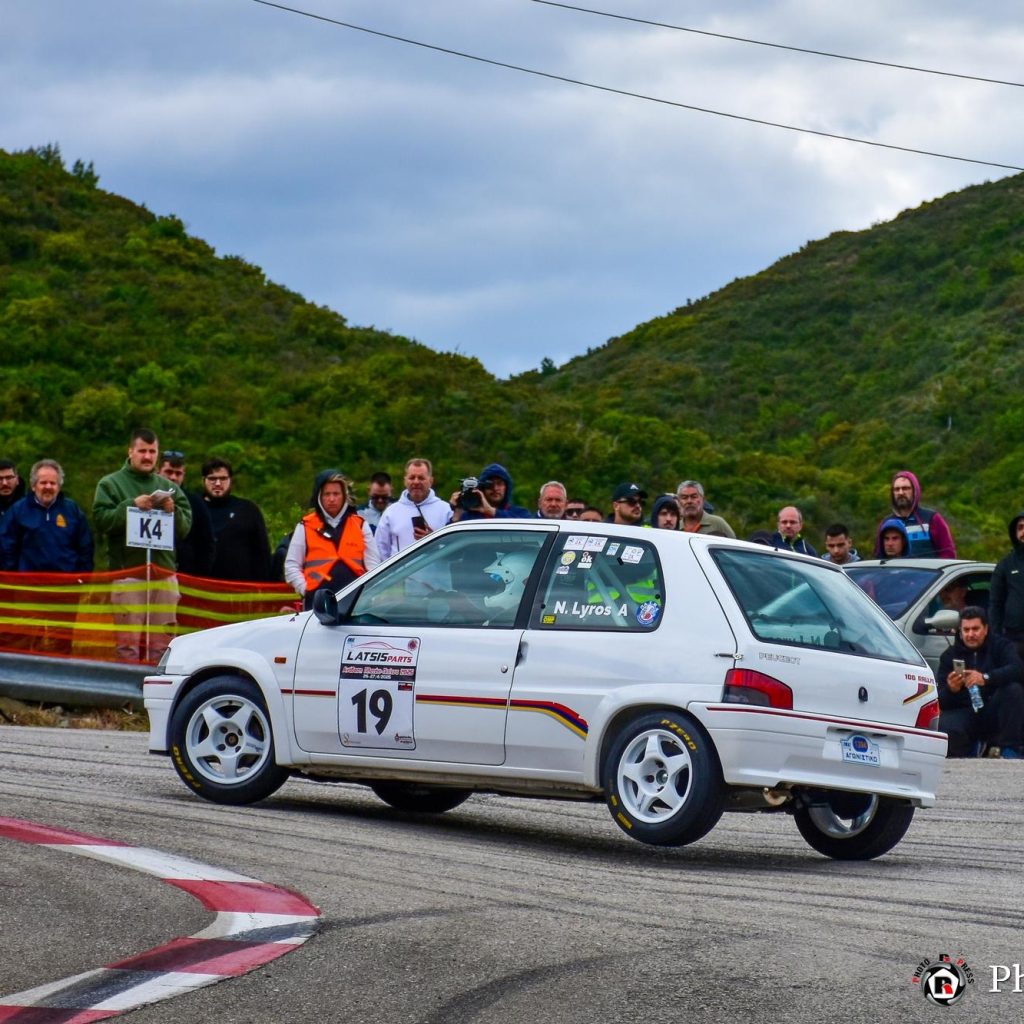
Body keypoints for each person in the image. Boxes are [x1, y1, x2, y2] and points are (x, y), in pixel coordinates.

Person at [93, 428, 192, 662]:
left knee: (163, 646)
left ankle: (160, 695)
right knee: (127, 644)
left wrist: (173, 512)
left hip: (164, 576)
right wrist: (130, 506)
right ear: (131, 452)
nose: (147, 457)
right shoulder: (110, 484)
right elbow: (101, 520)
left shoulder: (171, 488)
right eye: (142, 451)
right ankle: (127, 697)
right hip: (129, 576)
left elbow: (185, 528)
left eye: (152, 451)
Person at [284, 469, 380, 609]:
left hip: (354, 602)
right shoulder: (305, 526)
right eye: (327, 494)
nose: (331, 499)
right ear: (319, 497)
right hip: (316, 603)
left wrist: (367, 593)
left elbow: (373, 566)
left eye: (336, 494)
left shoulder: (360, 525)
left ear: (344, 496)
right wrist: (306, 590)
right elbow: (291, 566)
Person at [937, 606, 1024, 759]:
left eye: (975, 629)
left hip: (993, 710)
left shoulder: (1000, 646)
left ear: (985, 629)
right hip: (966, 711)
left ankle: (1011, 750)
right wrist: (952, 689)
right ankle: (966, 758)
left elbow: (1017, 669)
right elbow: (941, 701)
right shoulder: (949, 656)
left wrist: (986, 678)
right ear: (960, 631)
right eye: (966, 630)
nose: (971, 634)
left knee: (1013, 690)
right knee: (945, 723)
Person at [0, 459, 94, 573]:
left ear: (59, 486)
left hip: (67, 584)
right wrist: (13, 579)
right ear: (33, 485)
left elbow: (85, 547)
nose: (48, 487)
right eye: (43, 482)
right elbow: (7, 549)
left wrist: (83, 577)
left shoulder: (72, 510)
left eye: (53, 483)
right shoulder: (17, 511)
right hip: (29, 586)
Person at [201, 457, 272, 581]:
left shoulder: (248, 510)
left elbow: (262, 554)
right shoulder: (193, 508)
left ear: (230, 480)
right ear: (203, 480)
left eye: (223, 478)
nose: (217, 483)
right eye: (212, 478)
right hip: (200, 588)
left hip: (240, 591)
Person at [375, 458, 452, 560]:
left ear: (431, 481)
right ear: (405, 480)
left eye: (421, 478)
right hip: (401, 575)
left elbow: (455, 549)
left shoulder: (446, 510)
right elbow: (380, 550)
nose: (416, 482)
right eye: (412, 477)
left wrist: (433, 541)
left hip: (437, 575)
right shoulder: (391, 512)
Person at [874, 471, 956, 559]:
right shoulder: (886, 523)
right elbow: (879, 557)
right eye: (896, 489)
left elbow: (948, 554)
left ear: (915, 491)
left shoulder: (932, 519)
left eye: (905, 488)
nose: (901, 493)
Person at [158, 451, 215, 577]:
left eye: (178, 473)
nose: (173, 477)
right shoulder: (145, 499)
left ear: (184, 475)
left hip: (187, 577)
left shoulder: (196, 503)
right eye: (168, 472)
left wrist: (199, 577)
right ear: (158, 471)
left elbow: (206, 544)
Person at [991, 512, 1024, 664]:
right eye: (1021, 528)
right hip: (1014, 639)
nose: (1023, 532)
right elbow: (995, 604)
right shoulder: (1006, 565)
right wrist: (996, 638)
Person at [449, 463, 530, 521]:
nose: (495, 488)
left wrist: (490, 511)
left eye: (499, 483)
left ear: (507, 487)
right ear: (482, 488)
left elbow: (526, 528)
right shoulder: (469, 517)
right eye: (489, 485)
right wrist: (457, 513)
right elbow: (449, 542)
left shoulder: (520, 513)